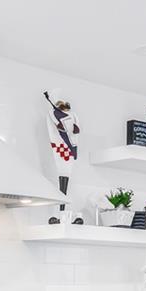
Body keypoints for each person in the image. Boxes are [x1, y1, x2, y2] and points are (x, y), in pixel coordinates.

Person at [44, 91, 83, 224]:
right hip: (61, 145)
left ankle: (63, 211)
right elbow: (55, 120)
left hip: (70, 145)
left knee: (66, 174)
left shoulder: (73, 115)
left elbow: (76, 125)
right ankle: (61, 211)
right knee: (63, 172)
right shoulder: (53, 113)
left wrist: (75, 128)